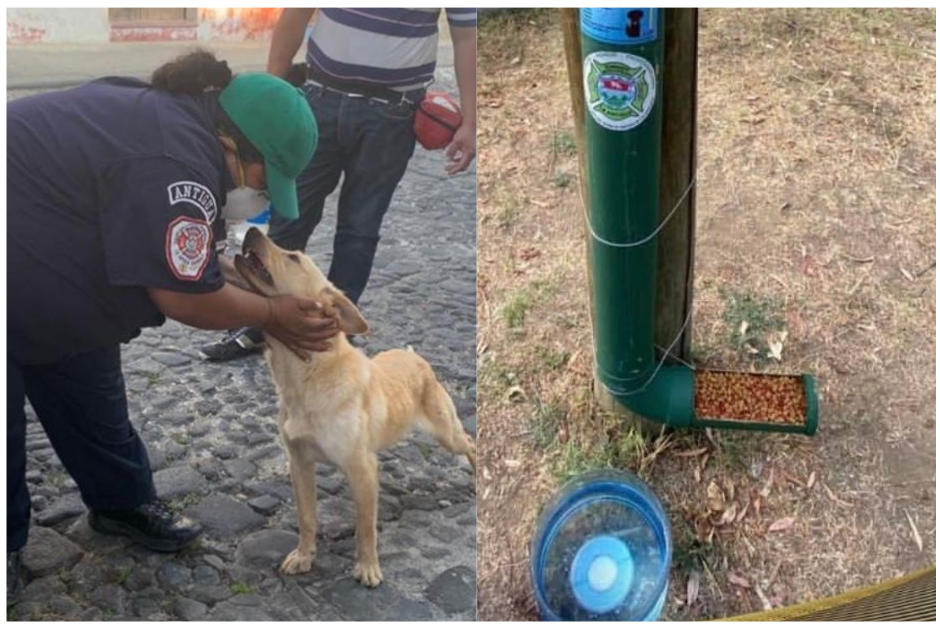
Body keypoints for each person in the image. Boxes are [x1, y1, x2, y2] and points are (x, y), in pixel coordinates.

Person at [6, 50, 339, 597]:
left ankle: (121, 501)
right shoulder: (175, 160)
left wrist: (254, 286)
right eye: (263, 178)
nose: (258, 196)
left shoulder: (184, 123)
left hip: (47, 264)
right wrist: (274, 314)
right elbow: (186, 296)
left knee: (85, 368)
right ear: (235, 145)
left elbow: (197, 261)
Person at [200, 7, 477, 361]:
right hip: (319, 102)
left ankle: (333, 332)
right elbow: (295, 16)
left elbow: (466, 36)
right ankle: (260, 323)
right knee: (289, 216)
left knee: (360, 228)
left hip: (393, 115)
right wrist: (275, 92)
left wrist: (471, 119)